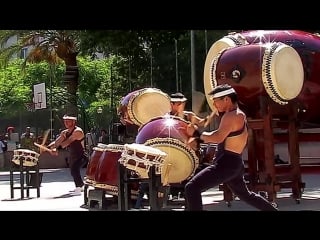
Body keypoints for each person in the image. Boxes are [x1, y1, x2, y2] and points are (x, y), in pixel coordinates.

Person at [184, 84, 278, 211]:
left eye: (216, 101)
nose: (214, 105)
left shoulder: (232, 116)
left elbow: (218, 137)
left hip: (227, 163)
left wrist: (198, 135)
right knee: (246, 195)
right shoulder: (236, 114)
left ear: (227, 99)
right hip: (233, 163)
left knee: (192, 187)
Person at [47, 114, 86, 196]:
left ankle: (78, 188)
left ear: (74, 122)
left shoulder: (78, 131)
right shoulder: (65, 132)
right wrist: (48, 147)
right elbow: (57, 142)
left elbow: (69, 141)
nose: (66, 122)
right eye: (65, 121)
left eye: (68, 121)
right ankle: (81, 185)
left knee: (75, 169)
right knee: (72, 171)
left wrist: (58, 150)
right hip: (72, 155)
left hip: (82, 155)